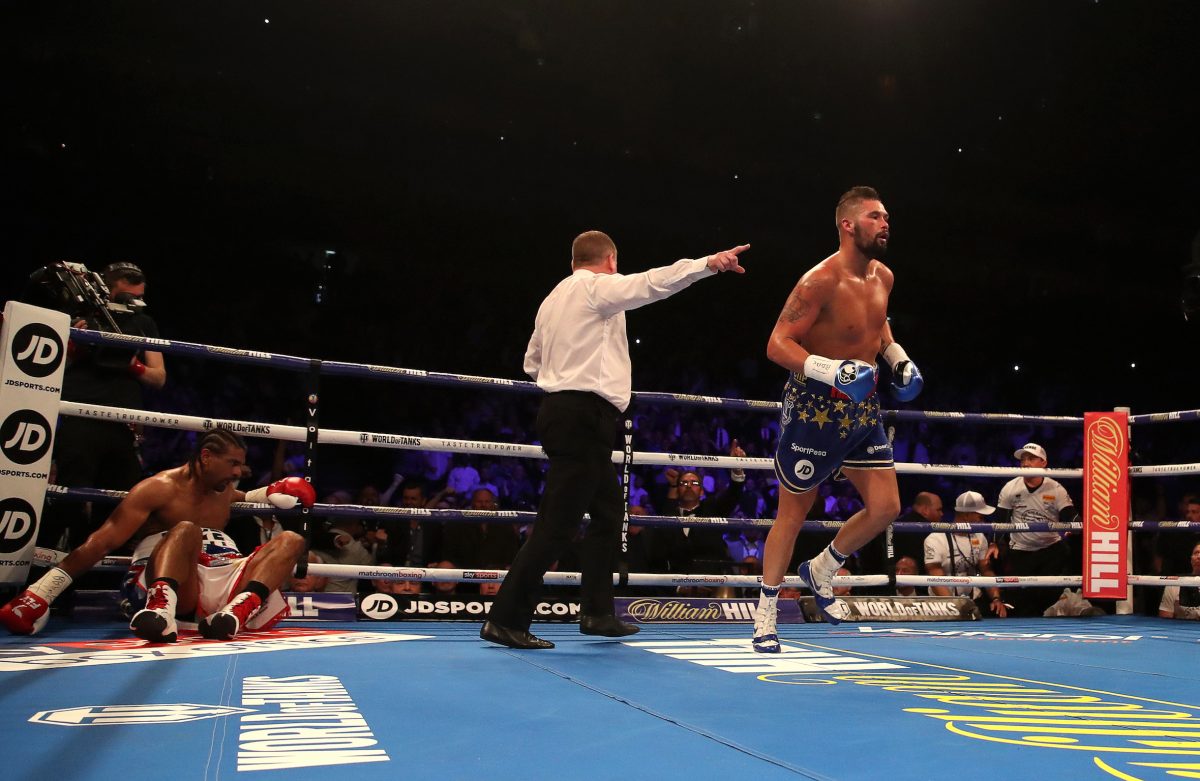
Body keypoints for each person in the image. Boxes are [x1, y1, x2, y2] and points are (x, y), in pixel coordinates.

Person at [481, 230, 749, 650]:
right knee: (557, 524)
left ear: (573, 261)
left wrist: (567, 378)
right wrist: (707, 264)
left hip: (569, 412)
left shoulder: (552, 300)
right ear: (610, 261)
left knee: (609, 516)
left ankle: (598, 612)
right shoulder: (595, 288)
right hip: (583, 415)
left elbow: (532, 362)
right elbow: (651, 283)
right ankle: (505, 619)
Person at [753, 186, 924, 653]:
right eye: (874, 216)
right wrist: (832, 370)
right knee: (793, 513)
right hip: (815, 408)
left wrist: (897, 357)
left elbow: (877, 323)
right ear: (848, 225)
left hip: (862, 408)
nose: (885, 223)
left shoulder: (884, 276)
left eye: (886, 216)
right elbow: (777, 343)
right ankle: (766, 614)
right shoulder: (819, 281)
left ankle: (822, 568)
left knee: (886, 507)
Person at [0, 430, 316, 640]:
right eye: (232, 463)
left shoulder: (222, 490)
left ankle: (237, 611)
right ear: (206, 457)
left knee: (292, 540)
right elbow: (102, 542)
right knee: (186, 529)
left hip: (223, 575)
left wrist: (272, 491)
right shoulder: (158, 489)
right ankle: (159, 611)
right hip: (175, 583)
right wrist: (41, 593)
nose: (238, 472)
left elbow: (243, 496)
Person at [39, 262, 168, 552]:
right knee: (69, 500)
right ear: (107, 290)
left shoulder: (143, 323)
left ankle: (100, 571)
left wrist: (131, 364)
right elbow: (49, 368)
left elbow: (159, 376)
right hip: (80, 417)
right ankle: (49, 568)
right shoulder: (77, 316)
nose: (134, 303)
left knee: (119, 504)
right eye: (127, 296)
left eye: (139, 297)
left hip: (123, 423)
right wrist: (74, 345)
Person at [996, 442, 1080, 617]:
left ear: (1043, 463)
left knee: (1048, 594)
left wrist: (1077, 526)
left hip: (1050, 549)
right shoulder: (1010, 488)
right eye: (1023, 459)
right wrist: (993, 543)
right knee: (1020, 603)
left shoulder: (1055, 488)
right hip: (1020, 550)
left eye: (1031, 459)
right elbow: (1000, 520)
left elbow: (1070, 515)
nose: (1025, 463)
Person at [923, 491, 1008, 617]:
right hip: (943, 604)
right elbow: (935, 577)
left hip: (974, 602)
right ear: (966, 515)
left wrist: (996, 599)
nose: (983, 523)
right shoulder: (935, 539)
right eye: (980, 517)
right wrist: (954, 607)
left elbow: (986, 570)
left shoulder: (979, 536)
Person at [1158, 542, 1200, 620]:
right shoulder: (1174, 583)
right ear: (1191, 559)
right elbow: (1164, 619)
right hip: (1180, 627)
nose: (1199, 556)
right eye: (1196, 553)